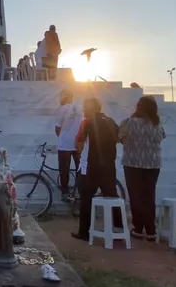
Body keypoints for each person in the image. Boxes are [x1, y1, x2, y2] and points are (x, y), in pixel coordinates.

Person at [72, 98, 121, 241]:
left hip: (90, 167)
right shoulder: (111, 121)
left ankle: (84, 232)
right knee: (112, 198)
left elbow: (79, 142)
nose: (83, 110)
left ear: (90, 108)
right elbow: (118, 139)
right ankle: (118, 230)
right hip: (108, 166)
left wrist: (80, 153)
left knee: (86, 200)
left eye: (85, 107)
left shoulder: (87, 122)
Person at [119, 96, 166, 240]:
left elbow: (120, 138)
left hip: (133, 163)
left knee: (136, 196)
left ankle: (138, 228)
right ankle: (151, 230)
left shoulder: (128, 122)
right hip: (152, 164)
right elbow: (162, 137)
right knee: (149, 195)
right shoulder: (156, 124)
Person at [55, 88, 82, 198]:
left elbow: (57, 128)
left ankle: (65, 192)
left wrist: (64, 135)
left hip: (65, 143)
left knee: (64, 169)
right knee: (79, 169)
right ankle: (81, 191)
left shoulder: (62, 109)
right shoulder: (80, 108)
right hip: (78, 143)